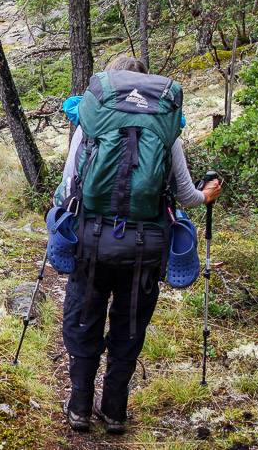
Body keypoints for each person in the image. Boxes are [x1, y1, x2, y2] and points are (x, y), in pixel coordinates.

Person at [56, 56, 221, 434]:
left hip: (93, 242)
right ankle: (114, 410)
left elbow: (68, 187)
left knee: (85, 316)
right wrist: (207, 194)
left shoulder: (92, 123)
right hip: (145, 248)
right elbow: (185, 194)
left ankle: (80, 405)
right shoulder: (164, 130)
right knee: (129, 323)